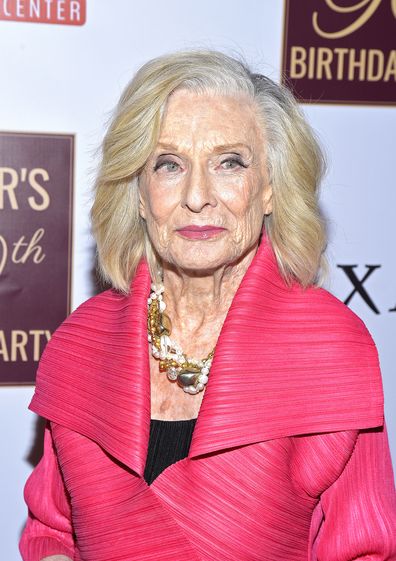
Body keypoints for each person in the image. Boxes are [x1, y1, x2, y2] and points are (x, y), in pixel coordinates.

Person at [20, 50, 396, 561]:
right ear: (137, 193)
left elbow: (367, 549)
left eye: (229, 162)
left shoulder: (330, 349)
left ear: (268, 188)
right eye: (169, 164)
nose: (198, 195)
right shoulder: (81, 344)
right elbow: (52, 532)